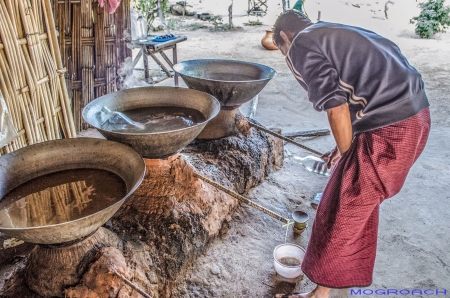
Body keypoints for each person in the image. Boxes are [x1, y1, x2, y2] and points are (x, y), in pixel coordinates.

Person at [272, 10, 430, 298]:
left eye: (283, 50)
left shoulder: (301, 43)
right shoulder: (332, 32)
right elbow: (362, 90)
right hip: (414, 119)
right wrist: (346, 145)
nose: (287, 58)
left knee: (339, 208)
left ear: (284, 36)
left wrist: (347, 156)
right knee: (355, 206)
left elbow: (336, 106)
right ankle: (333, 282)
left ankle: (320, 294)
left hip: (392, 129)